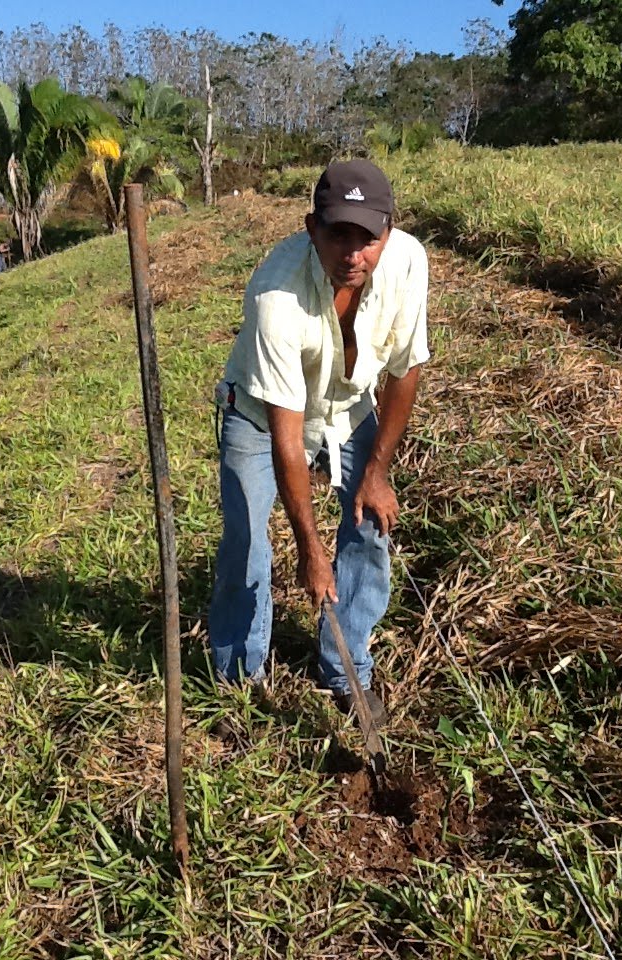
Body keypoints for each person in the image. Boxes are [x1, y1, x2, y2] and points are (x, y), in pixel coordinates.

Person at [209, 158, 429, 726]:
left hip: (347, 407)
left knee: (369, 527)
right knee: (249, 543)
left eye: (368, 237)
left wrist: (376, 473)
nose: (352, 253)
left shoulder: (407, 263)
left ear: (389, 230)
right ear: (312, 228)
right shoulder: (276, 295)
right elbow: (287, 440)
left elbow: (405, 372)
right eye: (337, 235)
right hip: (261, 415)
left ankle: (345, 668)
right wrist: (309, 552)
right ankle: (240, 678)